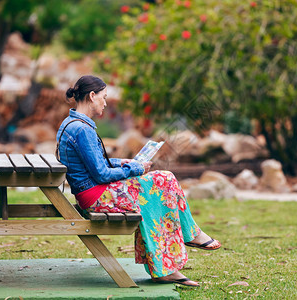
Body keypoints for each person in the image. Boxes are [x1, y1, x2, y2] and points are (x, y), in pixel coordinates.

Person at [56, 75, 221, 287]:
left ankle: (174, 256)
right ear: (91, 96)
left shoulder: (71, 123)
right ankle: (187, 240)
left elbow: (95, 163)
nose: (105, 103)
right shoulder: (82, 129)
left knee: (162, 182)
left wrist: (122, 162)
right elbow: (101, 175)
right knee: (164, 180)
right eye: (104, 97)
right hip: (98, 196)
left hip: (93, 192)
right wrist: (134, 168)